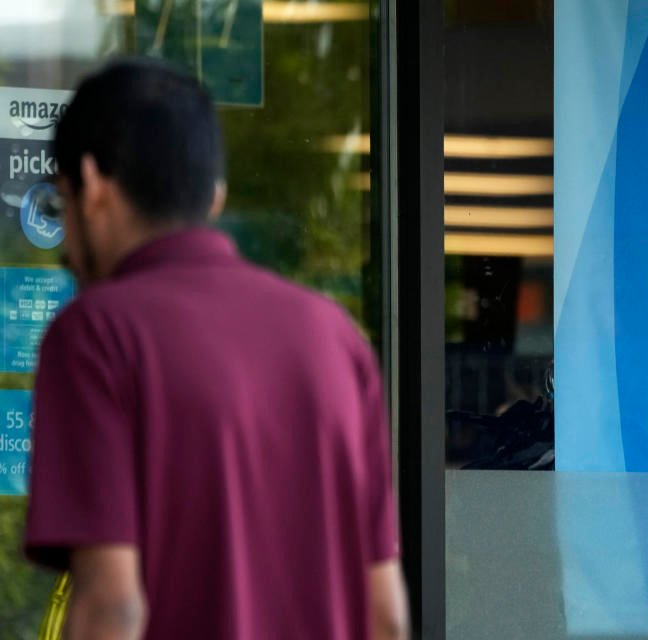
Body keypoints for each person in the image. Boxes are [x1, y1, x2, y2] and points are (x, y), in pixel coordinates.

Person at [23, 58, 408, 640]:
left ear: (93, 186)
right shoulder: (335, 339)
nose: (68, 252)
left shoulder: (97, 334)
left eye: (62, 202)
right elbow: (386, 615)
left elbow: (112, 608)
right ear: (216, 197)